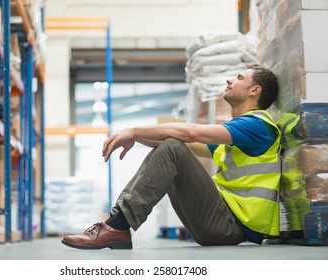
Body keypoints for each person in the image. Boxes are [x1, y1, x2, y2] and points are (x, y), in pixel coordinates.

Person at [61, 64, 281, 249]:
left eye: (239, 78)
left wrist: (135, 131)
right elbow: (185, 144)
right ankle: (117, 226)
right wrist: (136, 138)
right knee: (171, 145)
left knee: (173, 146)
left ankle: (117, 226)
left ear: (254, 90)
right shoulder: (242, 132)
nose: (229, 80)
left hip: (231, 226)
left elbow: (188, 134)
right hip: (222, 223)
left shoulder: (258, 125)